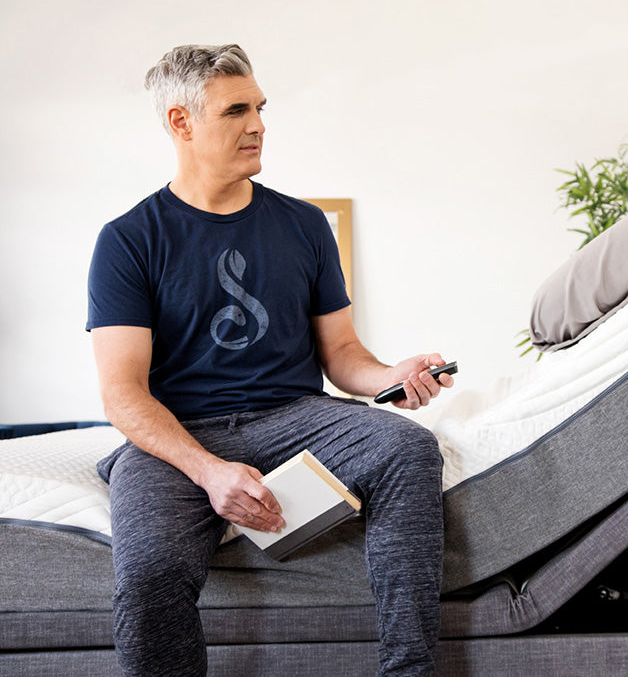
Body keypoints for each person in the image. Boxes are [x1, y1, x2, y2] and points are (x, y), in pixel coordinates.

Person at [87, 43, 451, 676]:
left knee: (408, 447)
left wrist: (390, 376)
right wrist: (209, 472)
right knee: (149, 571)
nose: (258, 124)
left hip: (294, 415)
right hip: (180, 435)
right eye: (236, 111)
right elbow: (123, 393)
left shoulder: (305, 225)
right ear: (181, 123)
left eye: (259, 107)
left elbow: (342, 355)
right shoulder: (128, 240)